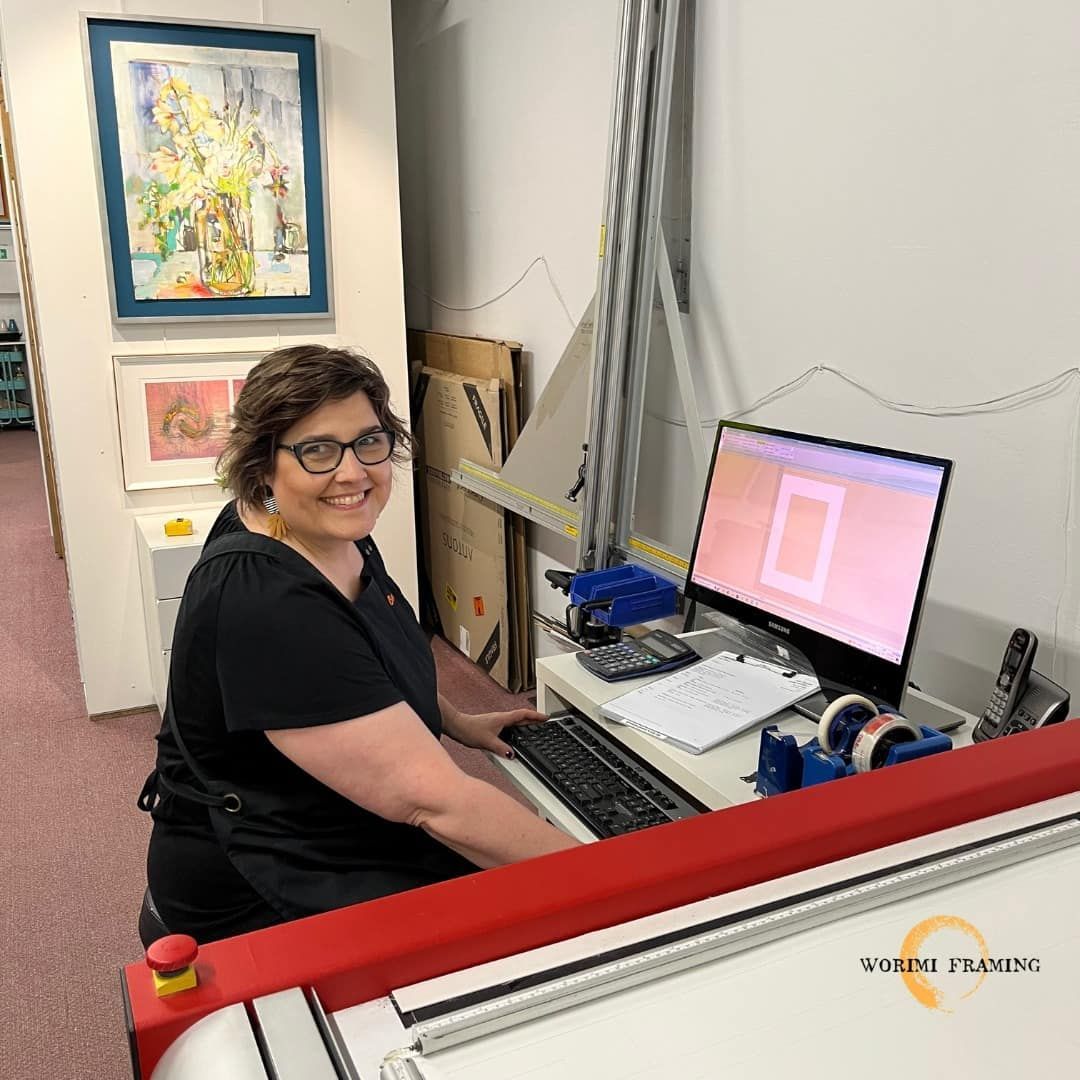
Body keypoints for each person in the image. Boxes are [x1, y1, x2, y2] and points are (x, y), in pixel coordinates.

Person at [139, 345, 579, 943]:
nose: (353, 474)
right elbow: (437, 802)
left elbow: (363, 662)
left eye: (368, 442)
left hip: (329, 824)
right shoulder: (267, 602)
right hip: (261, 882)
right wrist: (609, 874)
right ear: (263, 464)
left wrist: (455, 720)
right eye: (317, 450)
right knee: (526, 927)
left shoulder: (326, 529)